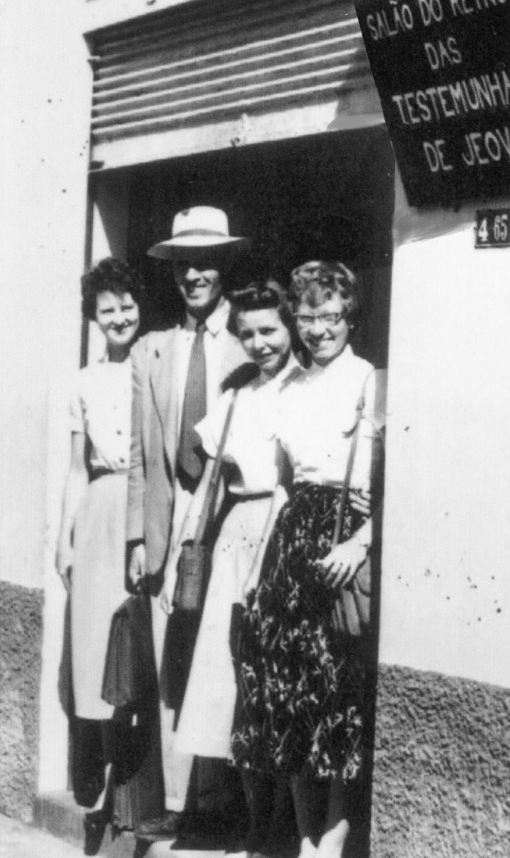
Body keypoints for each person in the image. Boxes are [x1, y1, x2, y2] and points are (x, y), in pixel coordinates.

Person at [231, 261, 386, 858]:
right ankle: (302, 836)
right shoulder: (290, 387)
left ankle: (335, 838)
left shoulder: (371, 380)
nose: (320, 329)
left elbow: (392, 482)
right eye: (308, 316)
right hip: (291, 547)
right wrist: (255, 571)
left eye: (331, 315)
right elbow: (282, 486)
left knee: (337, 696)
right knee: (287, 696)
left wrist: (361, 542)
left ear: (350, 315)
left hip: (344, 541)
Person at [160, 280, 302, 855]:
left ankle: (286, 829)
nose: (259, 342)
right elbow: (209, 486)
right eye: (247, 333)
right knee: (229, 685)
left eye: (269, 329)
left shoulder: (307, 390)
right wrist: (179, 556)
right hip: (235, 537)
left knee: (275, 685)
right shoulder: (238, 394)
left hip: (286, 535)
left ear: (291, 326)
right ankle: (255, 825)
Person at [126, 206, 251, 841]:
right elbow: (141, 456)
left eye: (205, 262)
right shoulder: (154, 348)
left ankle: (217, 800)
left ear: (224, 266)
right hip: (167, 521)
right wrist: (135, 536)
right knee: (172, 662)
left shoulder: (249, 344)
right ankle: (178, 798)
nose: (194, 274)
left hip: (224, 519)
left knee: (216, 658)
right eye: (183, 265)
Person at [55, 257, 145, 848]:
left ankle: (129, 791)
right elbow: (75, 469)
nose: (118, 316)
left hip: (138, 515)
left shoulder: (154, 366)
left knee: (132, 651)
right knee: (90, 653)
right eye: (106, 309)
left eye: (126, 305)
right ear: (94, 317)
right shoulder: (84, 381)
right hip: (96, 515)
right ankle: (96, 784)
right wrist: (64, 536)